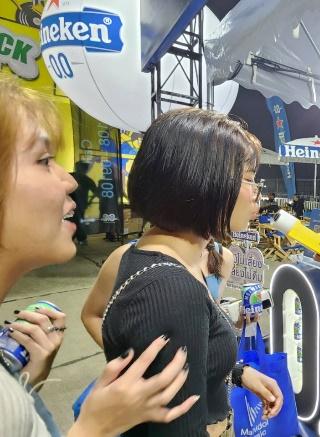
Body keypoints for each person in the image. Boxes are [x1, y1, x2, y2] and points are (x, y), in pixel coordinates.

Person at [0, 75, 199, 437]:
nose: (71, 181)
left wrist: (23, 383)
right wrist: (94, 428)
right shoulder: (157, 272)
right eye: (44, 160)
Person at [100, 108, 283, 436]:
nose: (256, 194)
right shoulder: (171, 288)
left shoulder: (157, 259)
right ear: (205, 182)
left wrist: (237, 374)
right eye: (249, 180)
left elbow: (185, 361)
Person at [82, 238, 235, 348]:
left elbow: (212, 315)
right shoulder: (128, 256)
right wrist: (126, 361)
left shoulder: (223, 256)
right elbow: (92, 315)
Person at [67, 161, 98, 245]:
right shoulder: (85, 179)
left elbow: (96, 192)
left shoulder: (71, 176)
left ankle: (76, 238)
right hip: (78, 205)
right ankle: (79, 238)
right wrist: (89, 201)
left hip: (77, 205)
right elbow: (96, 192)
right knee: (76, 221)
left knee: (75, 221)